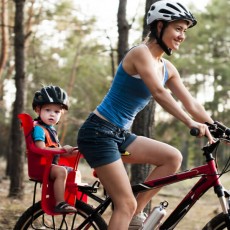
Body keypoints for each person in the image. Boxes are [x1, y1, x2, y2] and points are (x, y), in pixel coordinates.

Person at [77, 1, 214, 229]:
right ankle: (130, 210)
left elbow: (191, 102)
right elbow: (159, 93)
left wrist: (216, 126)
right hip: (98, 133)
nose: (182, 36)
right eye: (178, 29)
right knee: (124, 204)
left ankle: (136, 213)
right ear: (160, 26)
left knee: (172, 158)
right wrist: (190, 122)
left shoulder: (167, 68)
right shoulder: (140, 53)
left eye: (185, 31)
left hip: (120, 135)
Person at [32, 85, 78, 213]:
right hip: (42, 166)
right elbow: (41, 148)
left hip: (50, 165)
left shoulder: (51, 130)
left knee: (74, 172)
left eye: (57, 112)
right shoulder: (39, 129)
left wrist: (71, 152)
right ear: (38, 110)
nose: (52, 114)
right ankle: (60, 203)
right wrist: (62, 149)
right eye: (47, 110)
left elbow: (55, 151)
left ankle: (75, 202)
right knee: (61, 172)